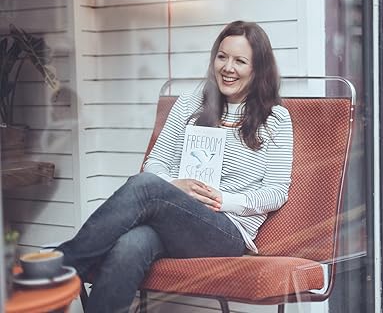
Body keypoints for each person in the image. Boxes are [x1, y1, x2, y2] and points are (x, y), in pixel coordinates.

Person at [57, 20, 294, 312]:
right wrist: (174, 187)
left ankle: (62, 267)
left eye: (240, 61)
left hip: (226, 231)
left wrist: (224, 200)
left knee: (146, 186)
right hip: (176, 219)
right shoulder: (190, 103)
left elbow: (276, 191)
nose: (228, 67)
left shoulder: (276, 119)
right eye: (222, 56)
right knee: (131, 245)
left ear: (257, 69)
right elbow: (155, 162)